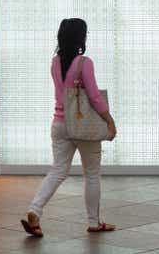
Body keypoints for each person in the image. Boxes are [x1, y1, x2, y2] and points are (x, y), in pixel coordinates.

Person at [22, 18, 117, 237]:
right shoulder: (85, 63)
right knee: (92, 174)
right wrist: (109, 121)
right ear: (80, 37)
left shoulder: (55, 62)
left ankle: (34, 210)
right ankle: (94, 222)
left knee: (57, 170)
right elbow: (93, 96)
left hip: (59, 124)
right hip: (82, 127)